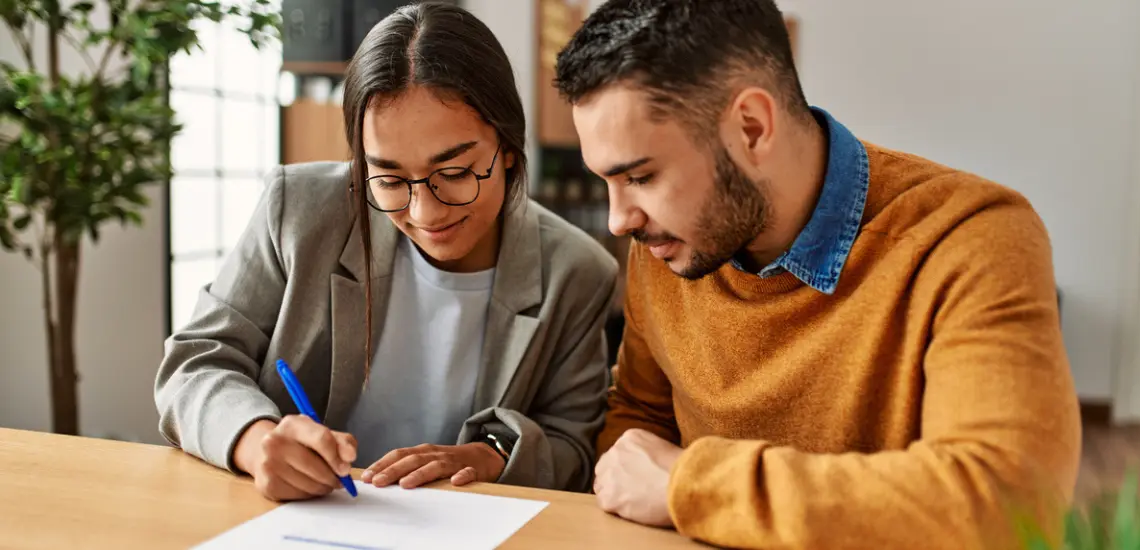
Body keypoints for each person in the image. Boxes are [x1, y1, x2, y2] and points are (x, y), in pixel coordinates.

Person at [554, 1, 1081, 548]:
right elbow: (639, 422)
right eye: (606, 182)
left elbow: (1008, 502)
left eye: (640, 177)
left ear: (751, 128)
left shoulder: (969, 239)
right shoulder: (667, 245)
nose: (618, 221)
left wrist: (690, 487)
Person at [155, 2, 617, 502]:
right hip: (303, 517)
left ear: (508, 147)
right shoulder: (299, 212)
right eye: (390, 179)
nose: (425, 211)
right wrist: (255, 440)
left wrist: (492, 455)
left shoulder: (576, 271)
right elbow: (194, 364)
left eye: (455, 173)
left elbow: (574, 445)